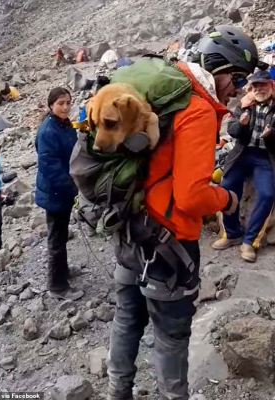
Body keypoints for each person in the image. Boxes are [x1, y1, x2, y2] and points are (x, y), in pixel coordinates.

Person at [107, 26, 258, 400]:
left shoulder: (168, 94)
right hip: (169, 243)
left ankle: (116, 392)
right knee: (171, 337)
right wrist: (225, 199)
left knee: (127, 318)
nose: (238, 89)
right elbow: (190, 197)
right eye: (237, 78)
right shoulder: (196, 110)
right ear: (216, 67)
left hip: (131, 227)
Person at [212, 70, 275, 262]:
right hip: (242, 153)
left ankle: (250, 241)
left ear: (271, 86)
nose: (259, 90)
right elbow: (231, 130)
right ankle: (231, 234)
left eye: (262, 85)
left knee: (267, 194)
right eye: (255, 86)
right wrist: (241, 124)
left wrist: (271, 135)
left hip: (265, 157)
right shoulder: (244, 104)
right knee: (227, 186)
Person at [35, 87, 83, 301]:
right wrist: (72, 187)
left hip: (63, 189)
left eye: (68, 103)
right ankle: (57, 286)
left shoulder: (64, 124)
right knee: (56, 239)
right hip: (55, 192)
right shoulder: (48, 131)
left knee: (61, 235)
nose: (65, 107)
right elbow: (49, 166)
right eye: (61, 103)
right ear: (51, 105)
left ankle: (62, 271)